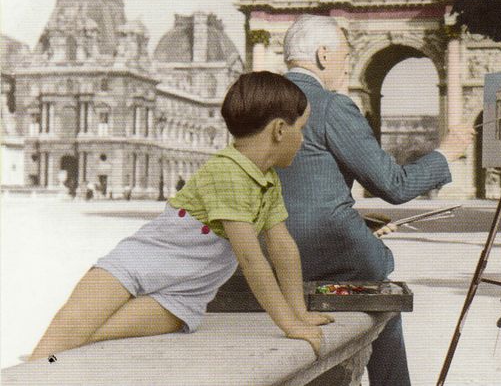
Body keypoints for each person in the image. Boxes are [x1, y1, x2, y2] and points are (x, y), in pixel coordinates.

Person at [29, 71, 332, 361]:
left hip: (182, 296)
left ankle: (47, 368)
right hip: (137, 264)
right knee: (67, 329)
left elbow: (283, 248)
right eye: (301, 129)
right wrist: (290, 326)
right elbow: (252, 261)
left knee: (92, 334)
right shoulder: (227, 172)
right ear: (280, 130)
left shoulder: (266, 179)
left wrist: (299, 312)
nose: (303, 140)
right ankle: (31, 373)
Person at [278, 14, 472, 386]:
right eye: (345, 55)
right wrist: (446, 153)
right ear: (322, 55)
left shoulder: (257, 102)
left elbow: (298, 186)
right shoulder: (332, 106)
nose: (348, 64)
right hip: (322, 261)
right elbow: (395, 186)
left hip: (264, 258)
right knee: (383, 288)